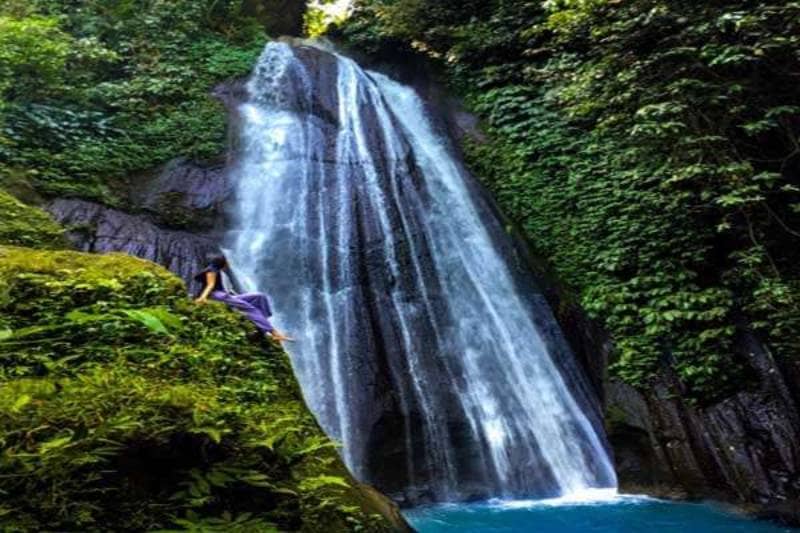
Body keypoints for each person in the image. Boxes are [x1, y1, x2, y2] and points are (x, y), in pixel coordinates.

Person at [194, 254, 293, 343]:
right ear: (221, 262)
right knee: (250, 308)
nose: (229, 261)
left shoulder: (217, 271)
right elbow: (210, 285)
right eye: (226, 260)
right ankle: (275, 333)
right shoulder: (211, 270)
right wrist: (202, 298)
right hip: (217, 296)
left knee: (259, 297)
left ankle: (261, 328)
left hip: (225, 295)